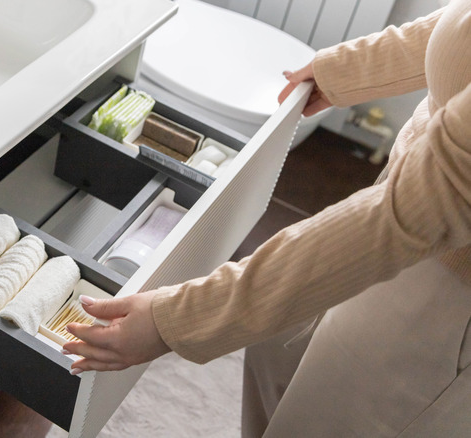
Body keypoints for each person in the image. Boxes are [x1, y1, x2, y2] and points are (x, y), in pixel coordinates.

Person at [61, 1, 471, 435]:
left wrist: (175, 321)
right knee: (277, 346)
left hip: (448, 290)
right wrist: (344, 70)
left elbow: (397, 217)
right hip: (418, 198)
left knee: (319, 418)